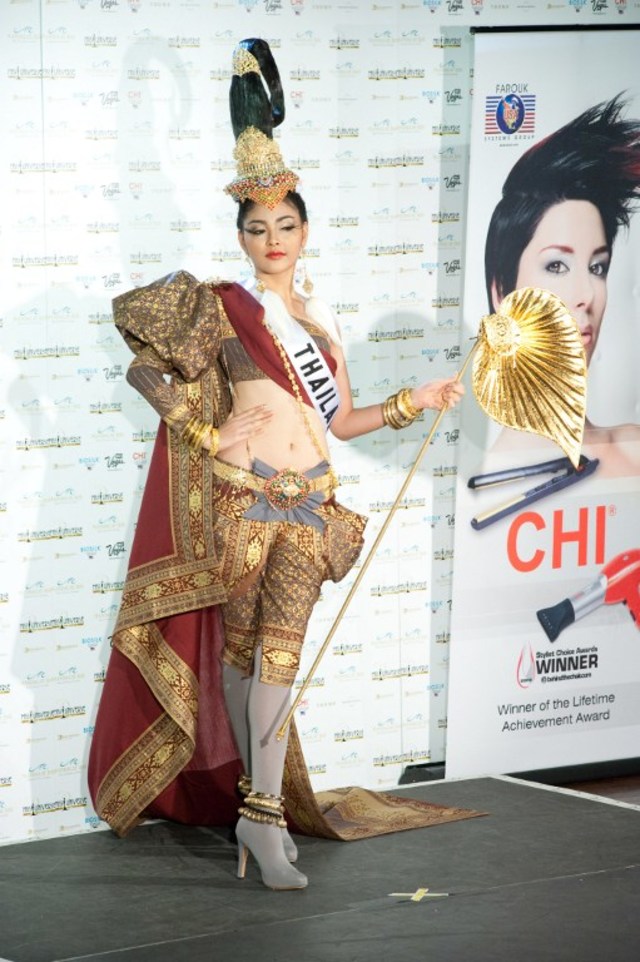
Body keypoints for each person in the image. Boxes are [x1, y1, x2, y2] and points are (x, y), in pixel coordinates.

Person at [88, 38, 465, 891]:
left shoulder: (321, 321)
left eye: (285, 225)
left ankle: (258, 822)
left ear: (306, 229)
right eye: (257, 228)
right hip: (243, 509)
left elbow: (343, 421)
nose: (272, 239)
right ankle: (254, 823)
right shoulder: (221, 306)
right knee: (243, 663)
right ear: (241, 235)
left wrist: (418, 400)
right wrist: (200, 431)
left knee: (278, 664)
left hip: (312, 509)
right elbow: (142, 361)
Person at [484, 96, 640, 476]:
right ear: (503, 293)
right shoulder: (493, 478)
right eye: (556, 265)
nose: (586, 295)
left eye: (597, 267)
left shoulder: (632, 449)